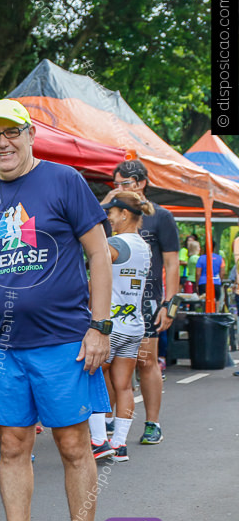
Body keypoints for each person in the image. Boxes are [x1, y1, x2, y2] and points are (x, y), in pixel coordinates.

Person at [0, 100, 113, 521]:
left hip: (63, 343)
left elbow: (98, 254)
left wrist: (100, 326)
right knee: (11, 445)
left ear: (30, 135)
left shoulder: (65, 180)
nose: (2, 143)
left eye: (12, 133)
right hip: (5, 349)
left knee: (74, 447)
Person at [111, 160, 179, 445]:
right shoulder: (114, 214)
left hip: (148, 299)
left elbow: (172, 262)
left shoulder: (160, 216)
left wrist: (170, 304)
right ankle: (113, 428)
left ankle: (152, 423)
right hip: (116, 300)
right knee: (110, 363)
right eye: (115, 184)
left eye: (124, 184)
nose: (119, 189)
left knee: (146, 361)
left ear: (141, 183)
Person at [87, 190, 153, 463]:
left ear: (124, 214)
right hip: (134, 325)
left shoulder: (114, 244)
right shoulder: (143, 246)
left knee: (94, 380)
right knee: (124, 386)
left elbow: (92, 256)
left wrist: (97, 205)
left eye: (111, 213)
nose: (108, 218)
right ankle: (120, 444)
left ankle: (100, 441)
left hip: (110, 325)